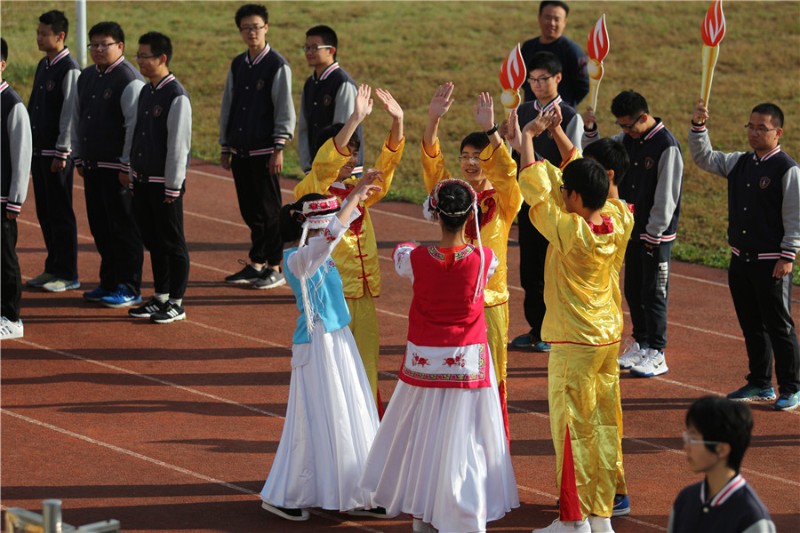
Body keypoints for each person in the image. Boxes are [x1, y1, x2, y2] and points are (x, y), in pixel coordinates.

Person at [360, 179, 518, 533]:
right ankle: (461, 516)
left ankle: (422, 513)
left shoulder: (414, 258)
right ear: (470, 215)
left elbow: (399, 251)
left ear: (435, 213)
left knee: (424, 440)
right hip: (466, 365)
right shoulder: (484, 259)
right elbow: (484, 258)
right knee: (465, 443)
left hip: (424, 364)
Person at [511, 108, 633, 533]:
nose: (562, 196)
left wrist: (528, 136)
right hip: (607, 339)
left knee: (571, 431)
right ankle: (601, 518)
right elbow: (586, 176)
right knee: (603, 426)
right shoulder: (619, 219)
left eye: (568, 192)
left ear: (576, 198)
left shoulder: (569, 231)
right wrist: (560, 132)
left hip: (573, 345)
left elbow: (534, 191)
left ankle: (574, 520)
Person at [260, 170, 383, 521]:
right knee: (314, 419)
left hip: (336, 340)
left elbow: (332, 232)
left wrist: (357, 194)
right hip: (317, 346)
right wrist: (354, 198)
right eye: (323, 221)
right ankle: (284, 493)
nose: (330, 226)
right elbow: (331, 235)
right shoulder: (298, 259)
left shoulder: (312, 251)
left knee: (351, 411)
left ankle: (356, 490)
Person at [421, 82, 522, 441]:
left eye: (477, 157)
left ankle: (494, 447)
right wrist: (432, 121)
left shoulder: (506, 199)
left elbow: (509, 173)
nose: (468, 162)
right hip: (455, 300)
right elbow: (432, 167)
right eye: (464, 155)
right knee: (454, 374)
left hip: (491, 302)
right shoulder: (452, 194)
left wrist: (493, 132)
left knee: (493, 376)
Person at [295, 84, 405, 412]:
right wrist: (355, 118)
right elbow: (326, 165)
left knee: (367, 367)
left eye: (356, 151)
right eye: (346, 150)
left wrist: (398, 122)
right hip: (332, 298)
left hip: (365, 296)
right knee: (334, 372)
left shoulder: (358, 189)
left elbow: (387, 167)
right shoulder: (312, 188)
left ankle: (370, 429)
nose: (351, 157)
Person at [689, 101, 800, 411]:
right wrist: (699, 126)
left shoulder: (788, 170)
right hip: (741, 259)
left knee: (779, 326)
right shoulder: (739, 162)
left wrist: (788, 255)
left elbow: (795, 216)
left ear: (778, 132)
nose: (753, 133)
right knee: (751, 324)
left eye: (761, 128)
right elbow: (704, 157)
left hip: (771, 263)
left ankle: (791, 387)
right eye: (750, 127)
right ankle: (761, 382)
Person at [583, 90, 683, 378]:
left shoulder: (667, 146)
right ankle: (640, 343)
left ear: (644, 117)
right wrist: (591, 131)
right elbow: (597, 155)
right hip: (630, 230)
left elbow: (667, 195)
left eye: (628, 125)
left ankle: (657, 351)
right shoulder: (626, 139)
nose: (624, 131)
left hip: (656, 235)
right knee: (633, 290)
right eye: (620, 126)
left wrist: (655, 231)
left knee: (654, 292)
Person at [511, 51, 584, 352]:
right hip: (527, 202)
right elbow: (516, 149)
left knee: (551, 270)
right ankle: (536, 328)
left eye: (543, 79)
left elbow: (574, 161)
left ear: (558, 78)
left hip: (555, 205)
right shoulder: (523, 109)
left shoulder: (569, 115)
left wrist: (535, 162)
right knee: (529, 269)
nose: (537, 85)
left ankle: (553, 331)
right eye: (533, 80)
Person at [220, 3, 296, 290]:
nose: (251, 32)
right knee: (249, 210)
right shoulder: (238, 64)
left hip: (266, 152)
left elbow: (283, 109)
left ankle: (275, 266)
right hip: (241, 151)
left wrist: (279, 147)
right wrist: (225, 145)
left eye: (256, 26)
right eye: (246, 28)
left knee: (270, 211)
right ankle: (257, 263)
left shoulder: (277, 65)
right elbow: (229, 104)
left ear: (266, 28)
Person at [72, 21, 145, 308]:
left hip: (117, 171)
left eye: (105, 44)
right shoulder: (87, 76)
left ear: (120, 47)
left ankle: (129, 285)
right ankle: (109, 281)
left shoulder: (129, 80)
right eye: (94, 45)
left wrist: (126, 166)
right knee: (100, 226)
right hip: (92, 165)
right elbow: (79, 118)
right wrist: (78, 154)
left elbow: (133, 127)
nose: (99, 50)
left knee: (123, 228)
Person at [127, 32, 192, 324]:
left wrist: (173, 186)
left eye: (144, 56)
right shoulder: (146, 91)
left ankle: (177, 301)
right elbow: (137, 132)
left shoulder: (175, 96)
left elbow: (179, 145)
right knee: (154, 241)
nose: (139, 61)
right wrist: (130, 168)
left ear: (162, 58)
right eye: (138, 55)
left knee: (172, 242)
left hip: (163, 184)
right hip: (142, 179)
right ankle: (161, 296)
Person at [27, 10, 81, 293]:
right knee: (45, 212)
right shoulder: (43, 65)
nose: (38, 38)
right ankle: (52, 267)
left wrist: (63, 151)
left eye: (43, 34)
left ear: (60, 36)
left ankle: (68, 272)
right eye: (38, 33)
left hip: (56, 154)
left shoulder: (69, 69)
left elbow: (70, 113)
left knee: (60, 212)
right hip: (39, 150)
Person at [668, 396, 776, 533]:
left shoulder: (751, 518)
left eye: (693, 439)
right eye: (687, 437)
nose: (686, 446)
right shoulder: (686, 499)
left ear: (722, 449)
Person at [1, 38, 33, 340]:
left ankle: (11, 318)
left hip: (2, 199)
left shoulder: (12, 104)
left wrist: (15, 200)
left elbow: (22, 156)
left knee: (5, 259)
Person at [298, 25, 362, 175]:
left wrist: (331, 165)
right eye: (306, 47)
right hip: (318, 167)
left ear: (331, 50)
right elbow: (304, 127)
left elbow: (343, 132)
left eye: (314, 47)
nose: (309, 52)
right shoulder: (310, 83)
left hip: (341, 171)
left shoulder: (342, 83)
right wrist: (308, 164)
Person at [520, 1, 588, 109]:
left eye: (557, 19)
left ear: (564, 22)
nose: (552, 23)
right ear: (539, 18)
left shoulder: (572, 51)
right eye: (547, 17)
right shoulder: (528, 47)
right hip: (531, 112)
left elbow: (582, 86)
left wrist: (565, 105)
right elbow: (522, 79)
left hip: (560, 115)